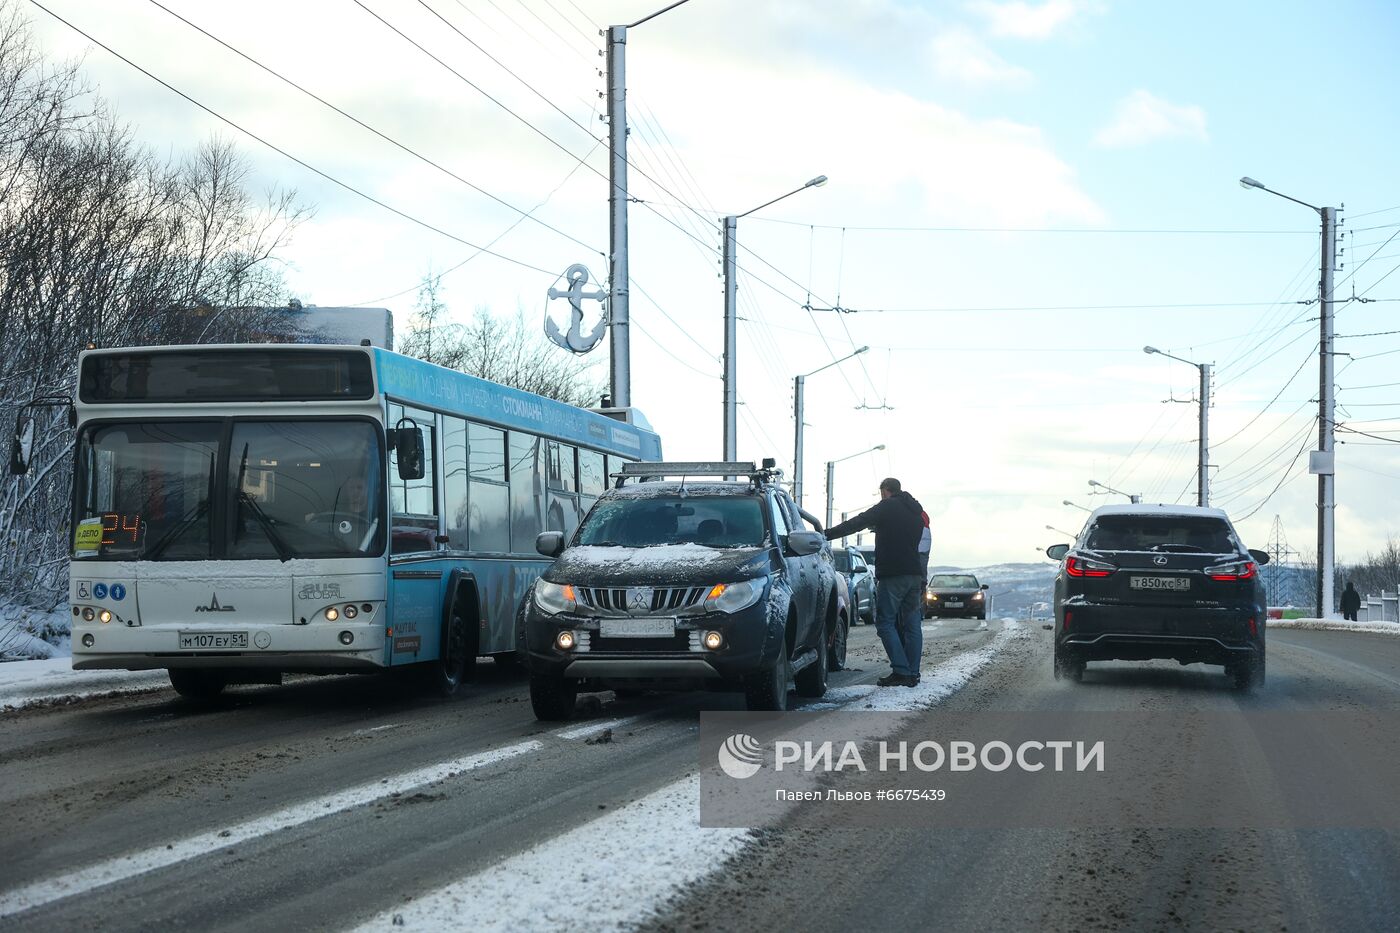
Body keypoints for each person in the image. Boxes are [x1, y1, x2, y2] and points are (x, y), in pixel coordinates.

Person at [824, 477, 925, 687]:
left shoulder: (887, 506)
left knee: (885, 622)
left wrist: (828, 534)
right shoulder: (916, 513)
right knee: (913, 624)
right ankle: (913, 672)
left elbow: (857, 522)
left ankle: (901, 670)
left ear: (885, 491)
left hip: (893, 574)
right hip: (915, 574)